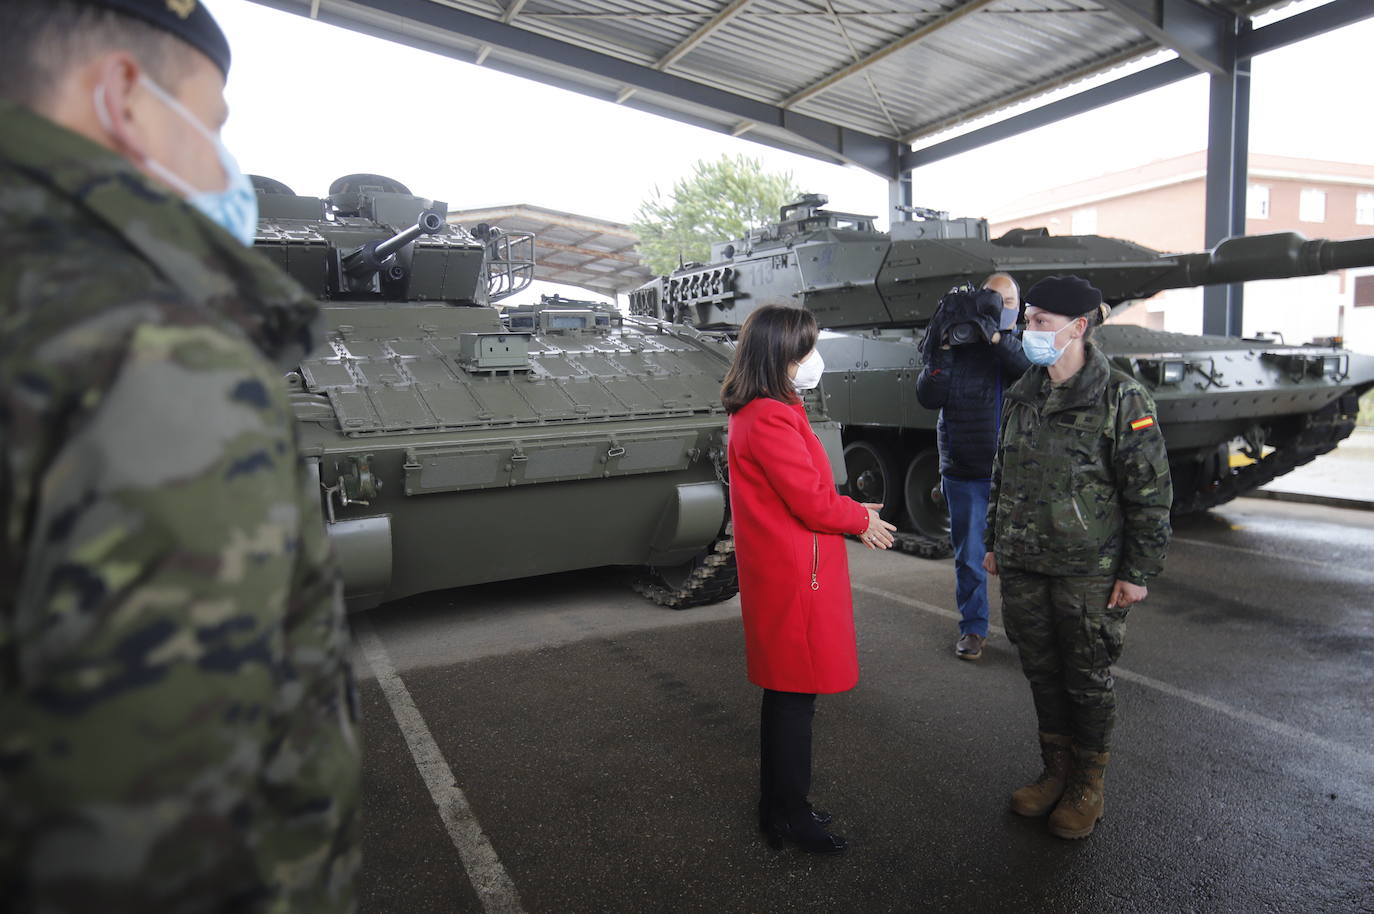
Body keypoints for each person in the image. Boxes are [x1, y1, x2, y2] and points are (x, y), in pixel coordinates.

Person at [0, 1, 359, 909]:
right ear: (128, 95)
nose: (222, 160)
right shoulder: (145, 340)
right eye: (215, 122)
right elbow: (150, 832)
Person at [982, 275, 1172, 840]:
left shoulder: (1121, 397)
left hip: (1088, 571)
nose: (1028, 331)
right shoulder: (1025, 391)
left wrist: (1137, 573)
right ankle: (1054, 773)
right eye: (1028, 319)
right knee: (1041, 672)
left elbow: (1150, 493)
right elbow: (1003, 474)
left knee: (1086, 677)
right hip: (1024, 563)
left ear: (1078, 327)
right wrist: (995, 542)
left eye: (1039, 321)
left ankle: (1088, 785)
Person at [721, 305, 896, 855]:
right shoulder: (770, 416)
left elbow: (807, 493)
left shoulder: (765, 409)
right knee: (795, 701)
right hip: (796, 577)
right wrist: (860, 518)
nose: (814, 358)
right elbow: (811, 501)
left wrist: (847, 511)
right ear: (780, 357)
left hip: (790, 570)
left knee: (789, 697)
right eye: (805, 349)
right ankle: (790, 814)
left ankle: (779, 807)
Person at [916, 273, 1030, 661]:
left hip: (1017, 472)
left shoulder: (1025, 344)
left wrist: (995, 338)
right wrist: (944, 349)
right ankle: (974, 628)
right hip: (965, 469)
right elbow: (928, 395)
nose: (1001, 307)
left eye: (1009, 300)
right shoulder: (957, 343)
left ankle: (1028, 633)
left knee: (1023, 558)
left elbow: (1028, 371)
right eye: (993, 299)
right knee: (969, 556)